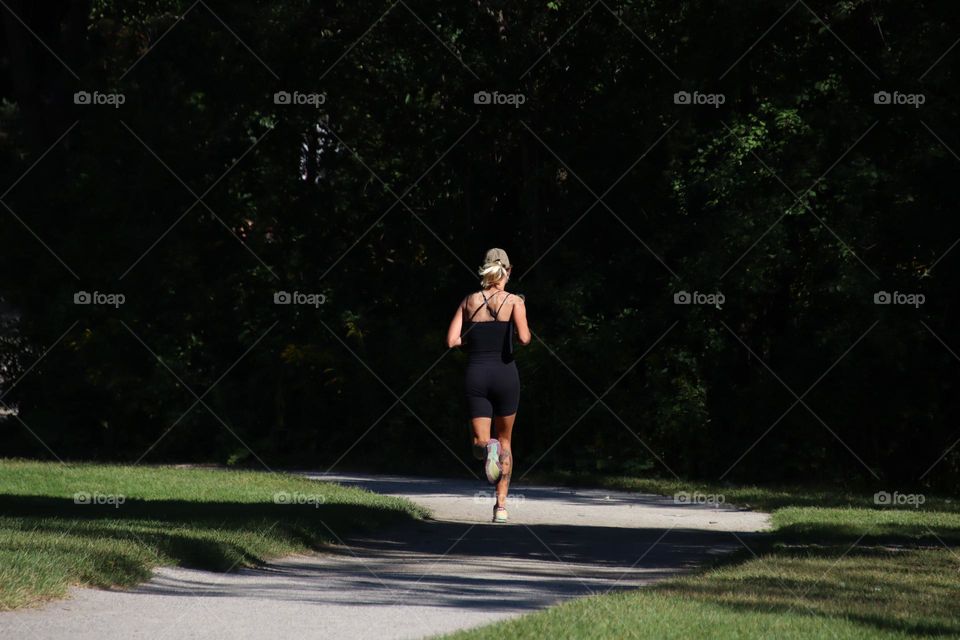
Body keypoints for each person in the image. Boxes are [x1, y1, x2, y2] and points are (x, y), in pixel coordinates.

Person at [446, 248, 531, 523]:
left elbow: (451, 341)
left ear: (485, 269)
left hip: (477, 374)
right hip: (506, 375)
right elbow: (525, 338)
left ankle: (487, 447)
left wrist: (470, 340)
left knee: (480, 442)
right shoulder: (515, 301)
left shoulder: (469, 301)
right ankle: (501, 507)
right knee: (506, 441)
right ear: (508, 270)